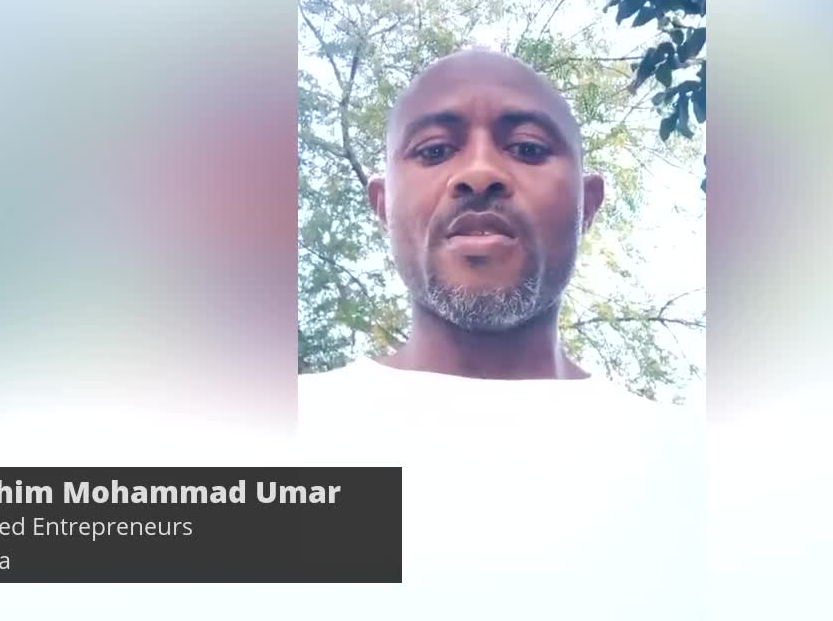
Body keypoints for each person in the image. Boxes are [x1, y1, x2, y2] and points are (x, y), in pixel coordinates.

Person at [295, 48, 702, 619]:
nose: (480, 172)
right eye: (434, 151)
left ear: (587, 205)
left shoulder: (707, 478)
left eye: (528, 149)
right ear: (382, 206)